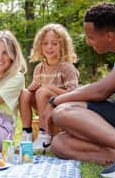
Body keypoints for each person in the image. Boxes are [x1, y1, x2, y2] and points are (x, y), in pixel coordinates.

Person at [48, 2, 115, 177]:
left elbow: (101, 91)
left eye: (91, 37)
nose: (88, 42)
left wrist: (56, 101)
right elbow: (100, 87)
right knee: (60, 144)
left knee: (63, 112)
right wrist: (66, 96)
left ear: (109, 36)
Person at [19, 23, 79, 152]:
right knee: (25, 93)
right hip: (42, 106)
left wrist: (49, 88)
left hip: (61, 106)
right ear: (39, 46)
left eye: (54, 43)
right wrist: (32, 88)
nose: (49, 47)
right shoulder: (39, 68)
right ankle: (26, 134)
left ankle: (44, 135)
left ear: (62, 46)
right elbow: (35, 93)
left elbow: (74, 95)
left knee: (43, 91)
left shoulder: (66, 68)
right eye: (45, 43)